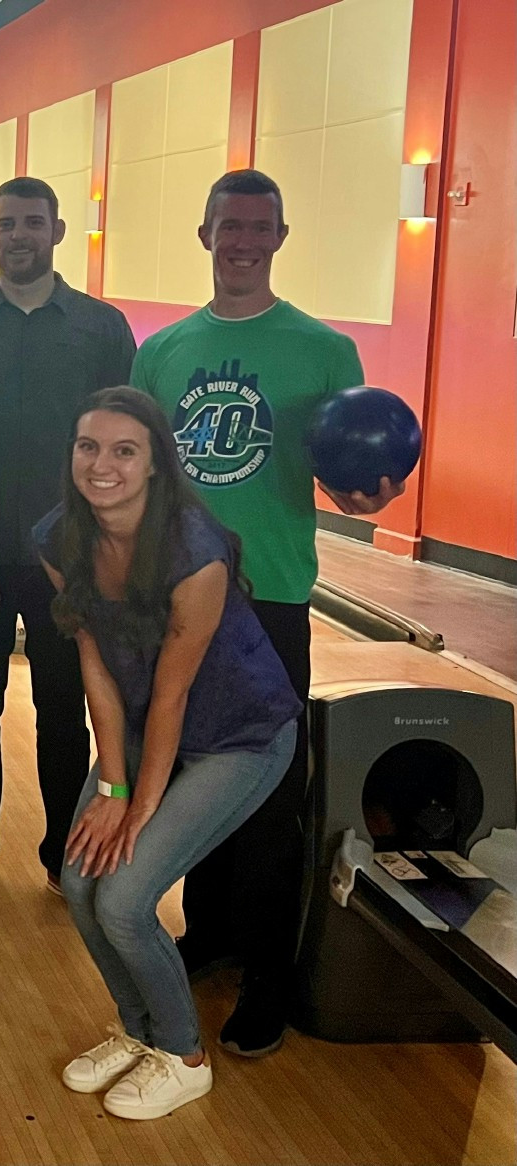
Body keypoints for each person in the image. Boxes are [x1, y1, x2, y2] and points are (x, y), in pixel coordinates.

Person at [130, 168, 403, 1057]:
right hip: (179, 599)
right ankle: (209, 932)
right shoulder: (162, 351)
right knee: (191, 780)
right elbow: (140, 476)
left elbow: (344, 470)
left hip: (271, 597)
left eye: (259, 227)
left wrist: (366, 498)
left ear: (279, 238)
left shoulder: (325, 351)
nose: (242, 240)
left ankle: (268, 975)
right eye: (228, 225)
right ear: (203, 234)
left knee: (272, 795)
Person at [35, 386, 299, 1119]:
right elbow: (97, 666)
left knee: (122, 897)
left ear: (155, 465)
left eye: (125, 450)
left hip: (239, 736)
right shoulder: (60, 538)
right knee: (78, 877)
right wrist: (113, 789)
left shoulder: (194, 552)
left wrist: (138, 807)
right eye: (89, 447)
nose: (103, 464)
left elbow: (176, 695)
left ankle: (182, 1054)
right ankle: (137, 1028)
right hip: (148, 727)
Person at [0, 178, 137, 908]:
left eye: (33, 222)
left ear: (56, 231)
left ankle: (64, 854)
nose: (19, 234)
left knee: (64, 705)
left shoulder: (100, 326)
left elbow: (128, 438)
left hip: (69, 558)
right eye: (7, 223)